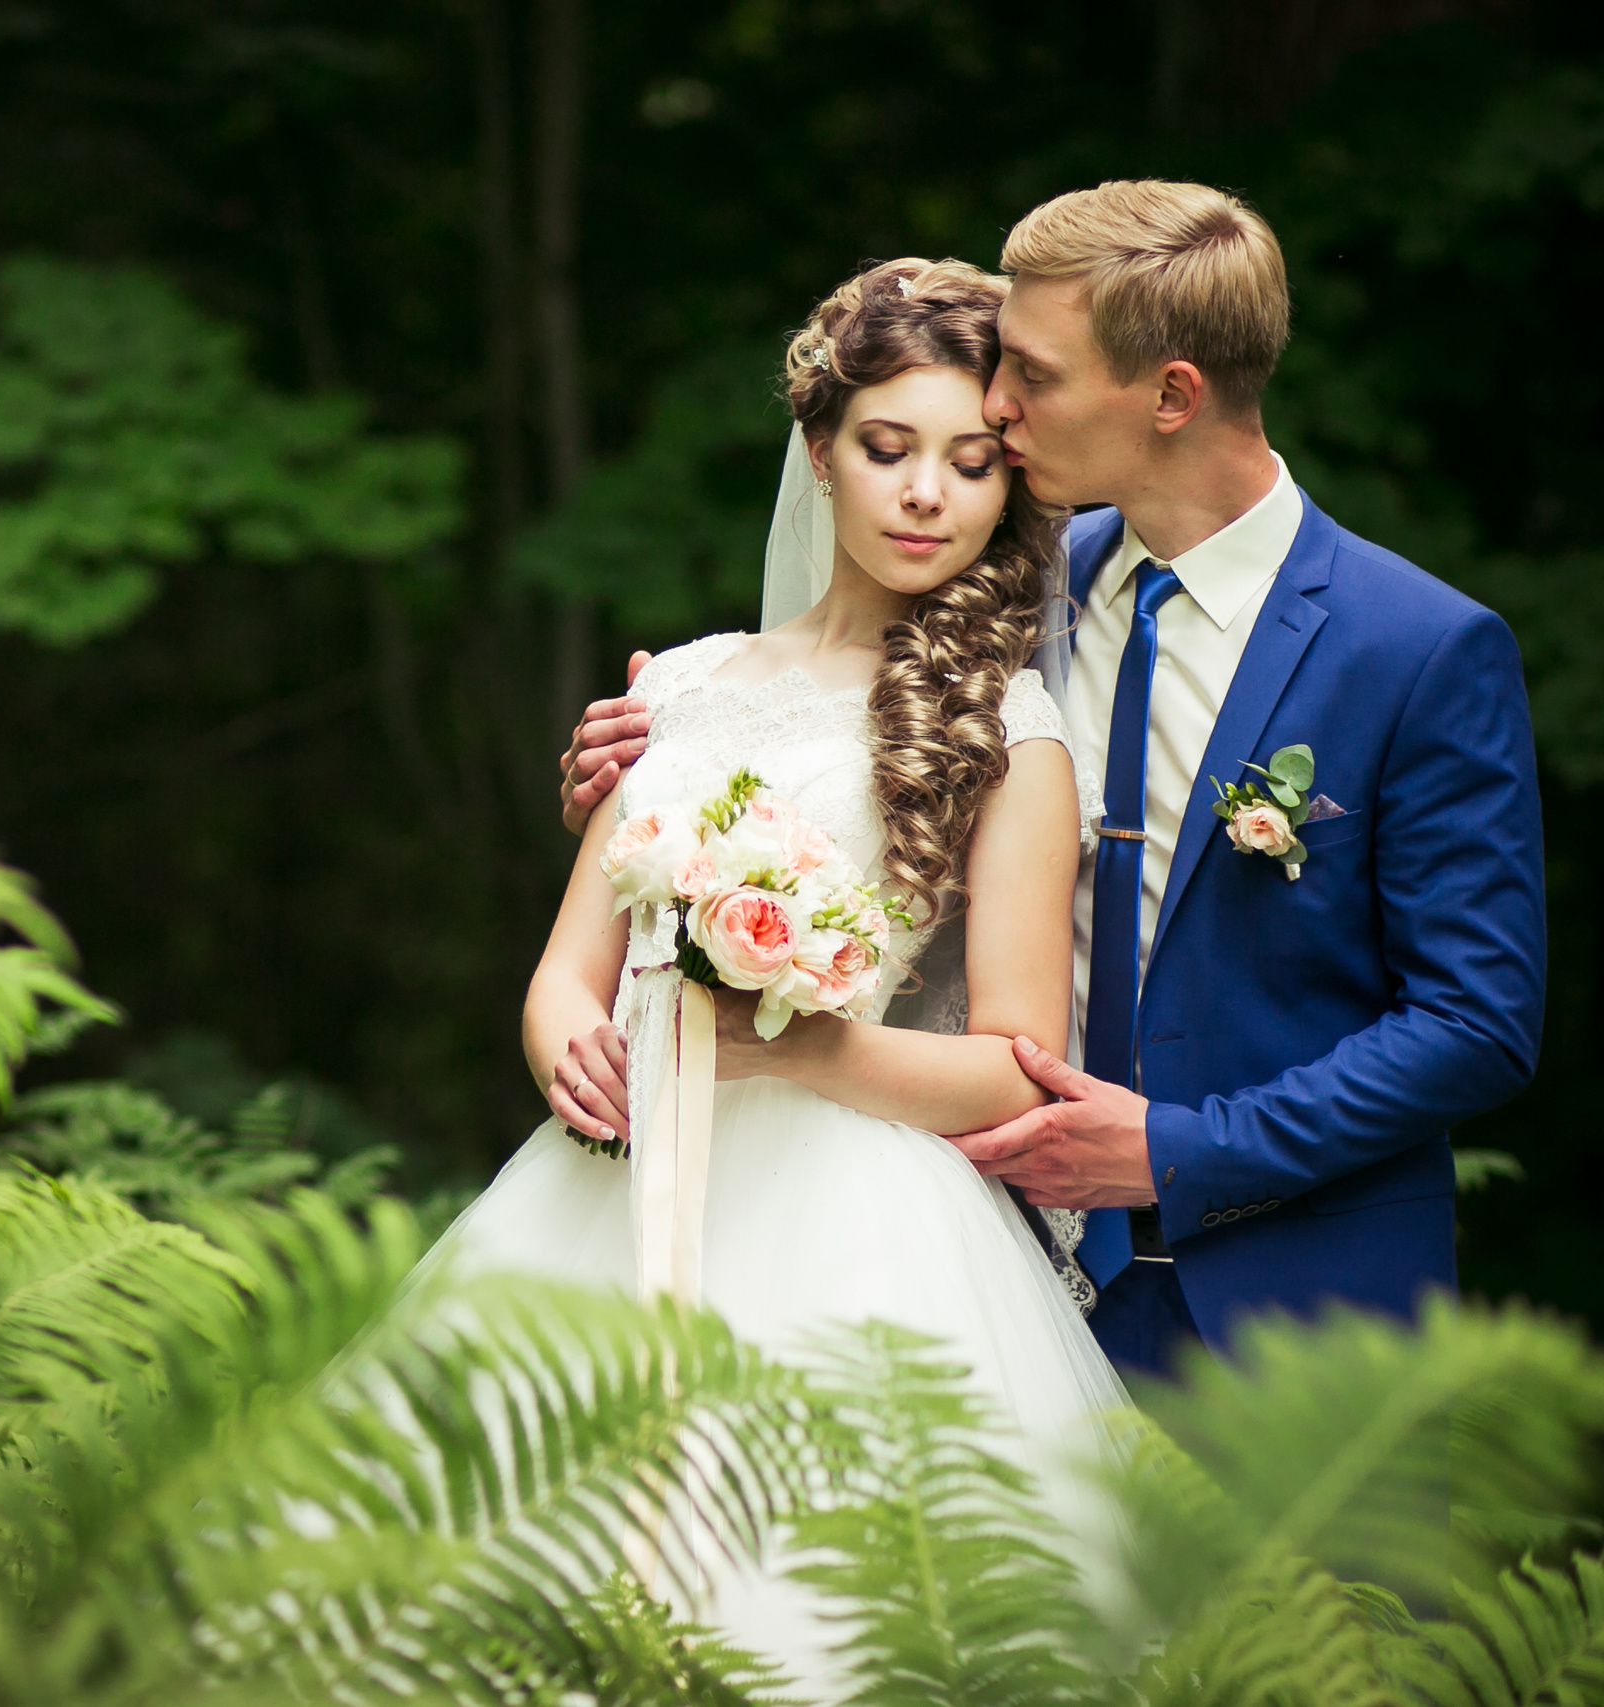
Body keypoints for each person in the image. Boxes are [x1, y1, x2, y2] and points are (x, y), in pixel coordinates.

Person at [560, 181, 1547, 1377]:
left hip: (1292, 1311)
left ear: (1170, 395)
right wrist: (644, 780)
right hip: (985, 1270)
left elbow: (1475, 1024)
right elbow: (812, 740)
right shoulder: (995, 590)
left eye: (1033, 375)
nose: (998, 403)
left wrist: (1184, 1150)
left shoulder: (1416, 650)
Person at [436, 257, 1127, 1688]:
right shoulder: (681, 686)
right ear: (821, 449)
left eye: (970, 460)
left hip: (853, 1203)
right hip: (614, 1179)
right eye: (889, 448)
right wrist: (568, 1043)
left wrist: (803, 1045)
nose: (927, 492)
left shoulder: (1010, 725)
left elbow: (1018, 1057)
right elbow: (570, 965)